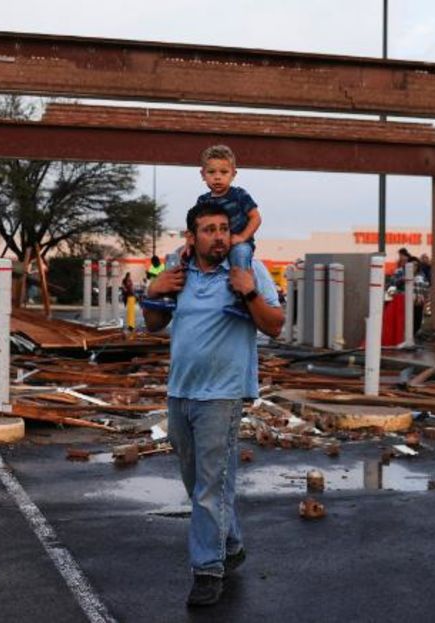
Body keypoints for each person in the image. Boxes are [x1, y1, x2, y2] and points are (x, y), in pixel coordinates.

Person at [142, 202, 283, 607]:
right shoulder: (179, 271)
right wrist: (152, 290)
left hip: (222, 394)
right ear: (192, 237)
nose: (219, 236)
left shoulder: (247, 270)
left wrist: (249, 290)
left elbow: (274, 325)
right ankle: (232, 542)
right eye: (208, 229)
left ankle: (207, 570)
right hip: (180, 392)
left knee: (208, 488)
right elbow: (154, 324)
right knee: (200, 484)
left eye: (224, 228)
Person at [194, 144, 263, 319]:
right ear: (203, 175)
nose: (217, 177)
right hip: (214, 245)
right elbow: (195, 224)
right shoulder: (203, 200)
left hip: (237, 244)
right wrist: (190, 239)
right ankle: (178, 293)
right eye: (211, 172)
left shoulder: (239, 195)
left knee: (240, 255)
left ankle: (243, 300)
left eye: (223, 173)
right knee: (181, 255)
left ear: (233, 174)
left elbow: (256, 218)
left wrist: (242, 237)